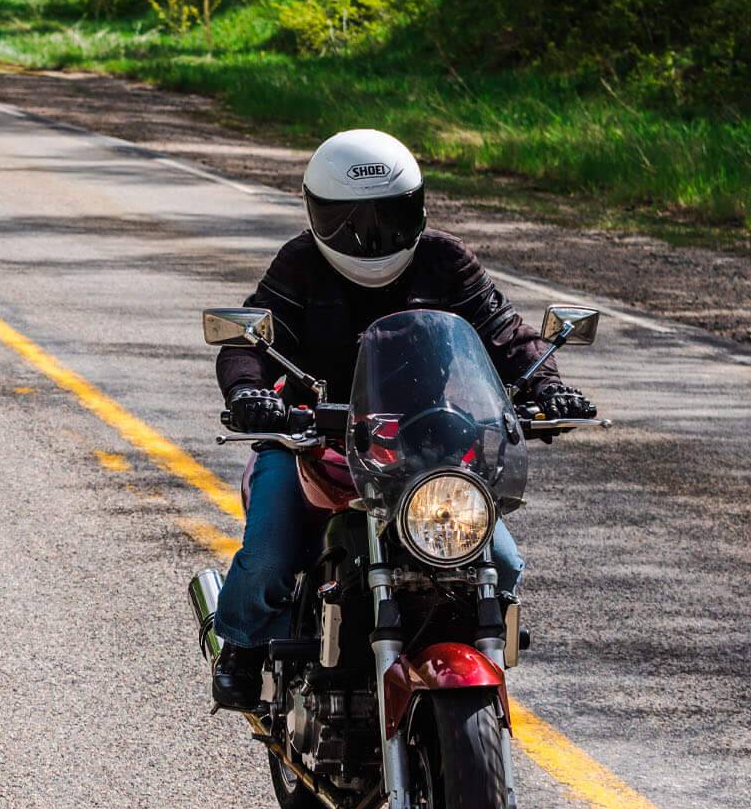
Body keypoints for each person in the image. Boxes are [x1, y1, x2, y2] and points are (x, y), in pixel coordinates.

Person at [209, 128, 593, 711]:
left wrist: (548, 385)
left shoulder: (444, 259)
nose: (374, 236)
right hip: (314, 438)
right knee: (269, 553)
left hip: (423, 448)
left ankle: (465, 654)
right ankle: (240, 644)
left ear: (416, 207)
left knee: (504, 562)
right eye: (354, 221)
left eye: (391, 215)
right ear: (319, 213)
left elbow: (506, 334)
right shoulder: (300, 263)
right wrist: (248, 393)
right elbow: (249, 342)